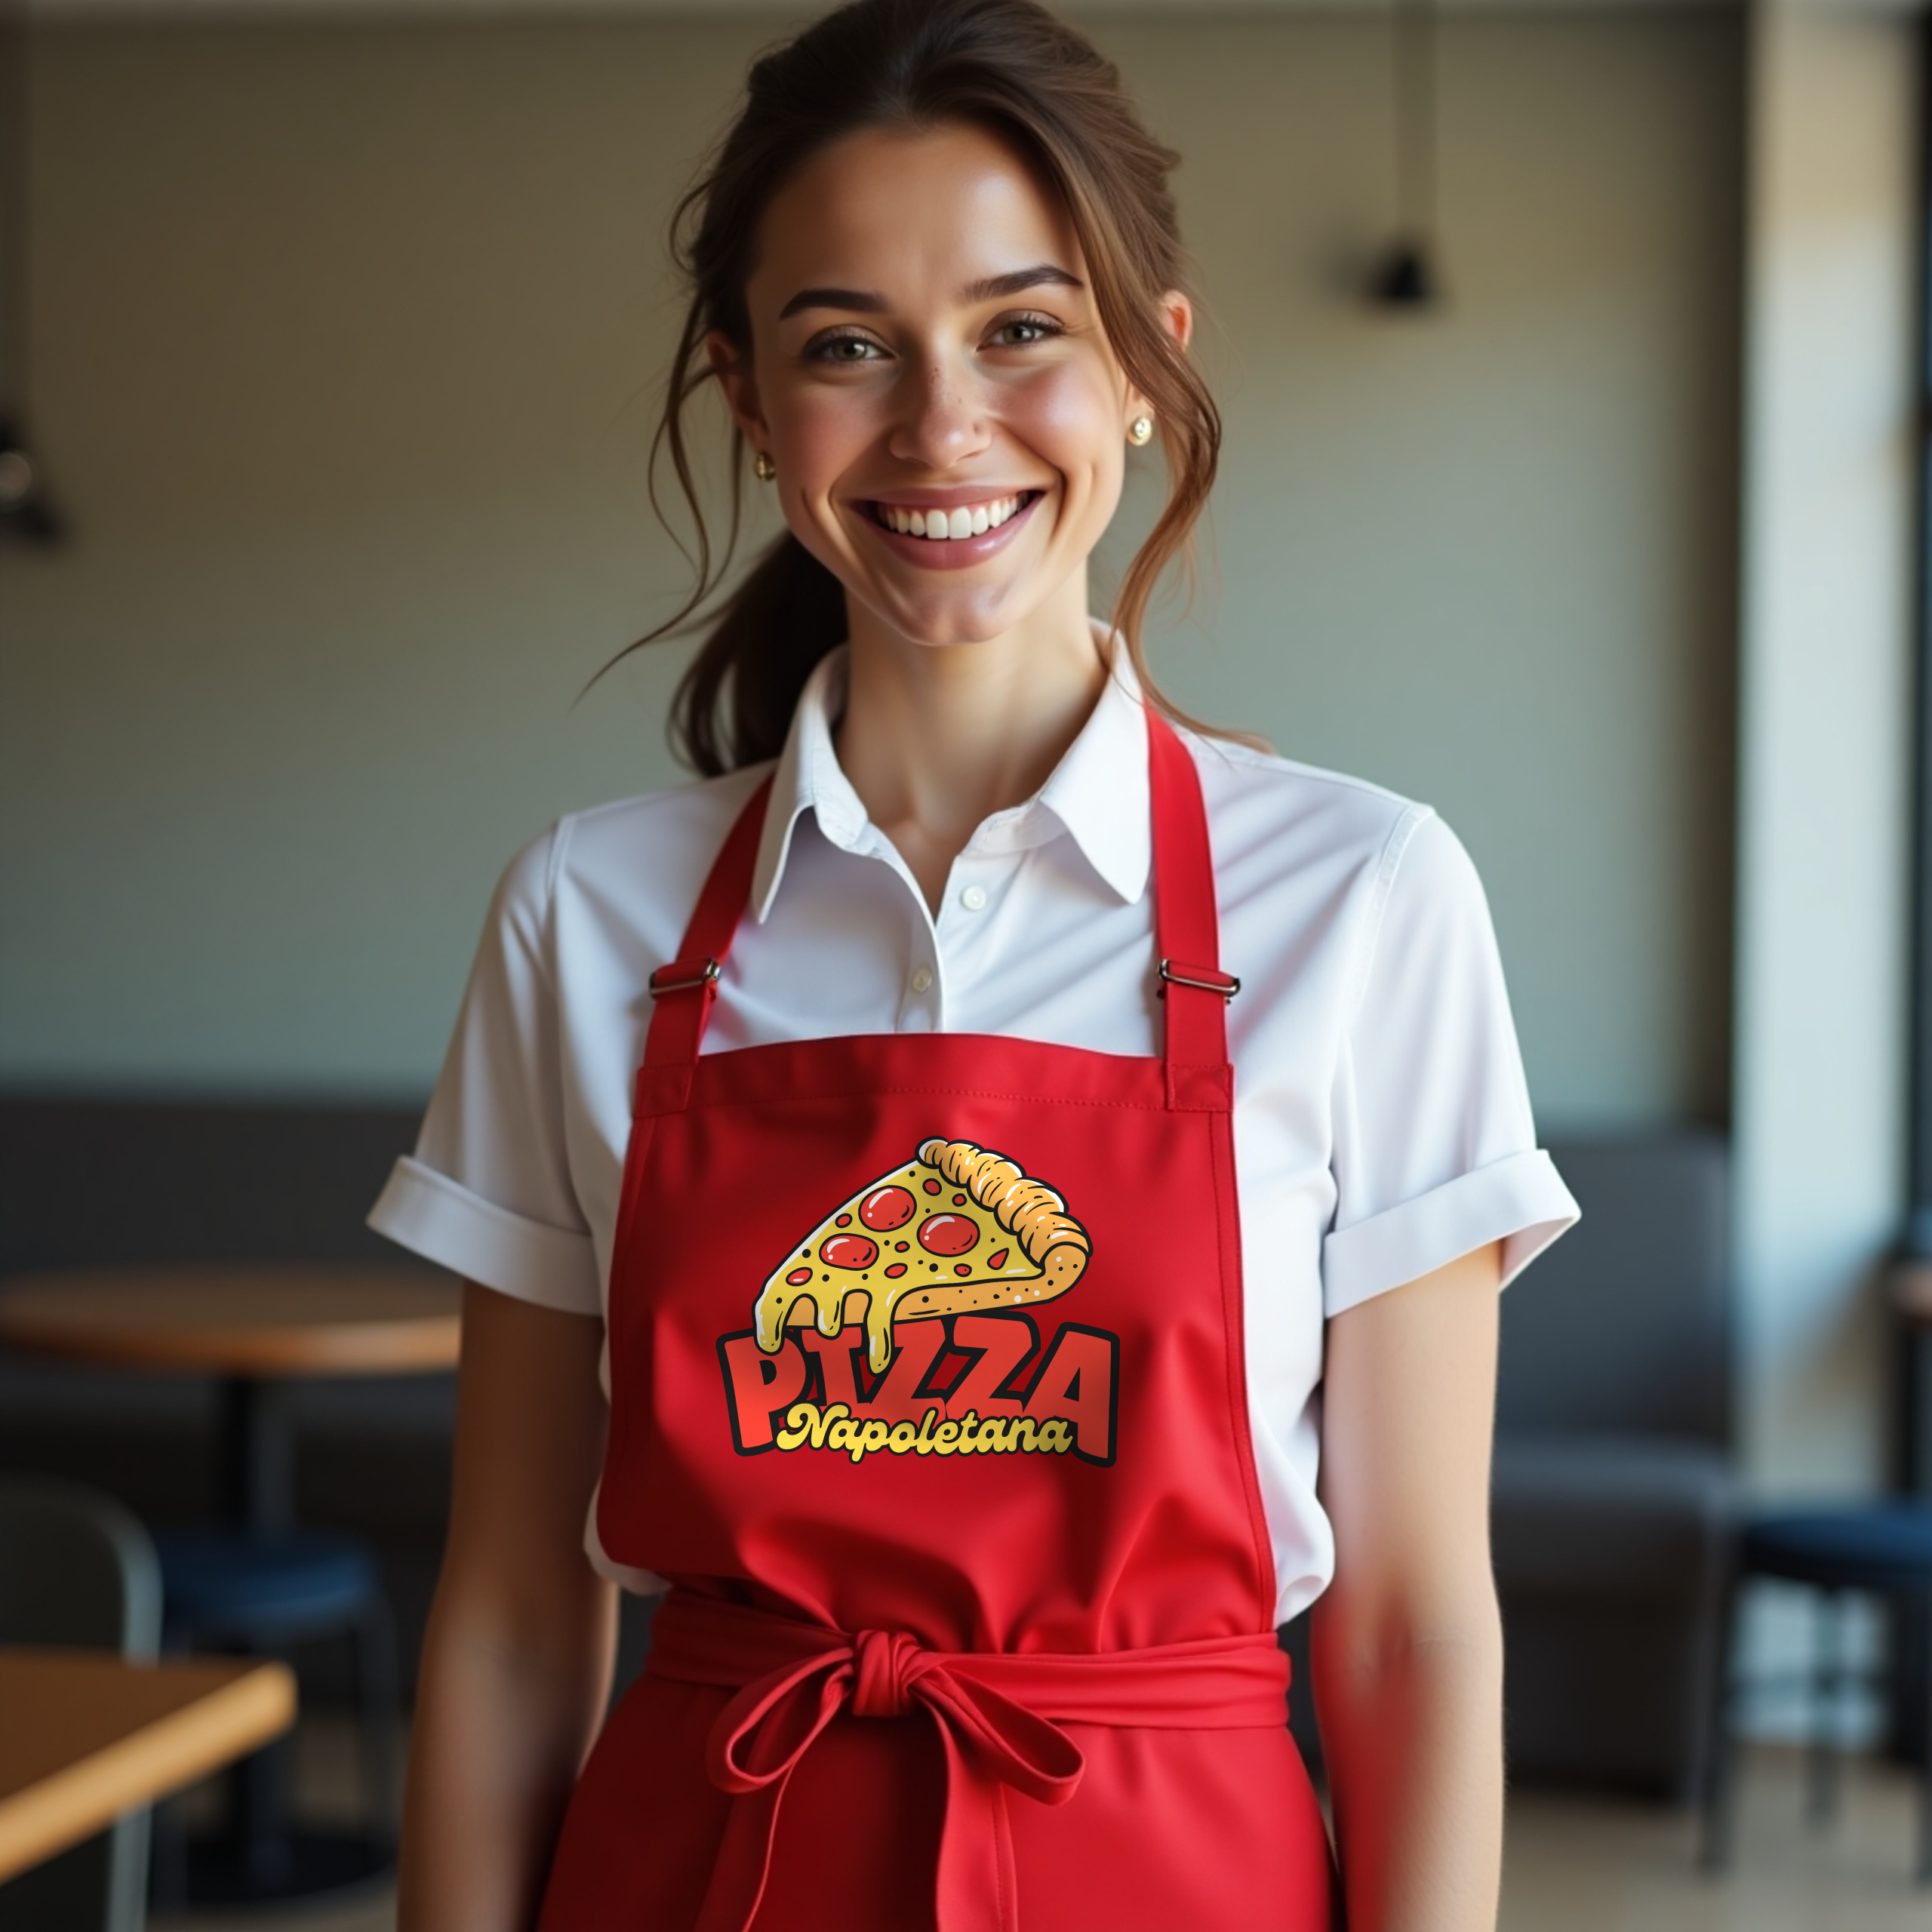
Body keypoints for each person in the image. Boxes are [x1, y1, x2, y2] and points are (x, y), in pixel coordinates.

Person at [370, 2, 1579, 1926]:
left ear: (1141, 369)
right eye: (847, 345)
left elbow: (1416, 1620)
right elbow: (514, 1613)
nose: (943, 425)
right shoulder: (583, 915)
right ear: (752, 401)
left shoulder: (1363, 895)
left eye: (1022, 328)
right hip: (698, 1870)